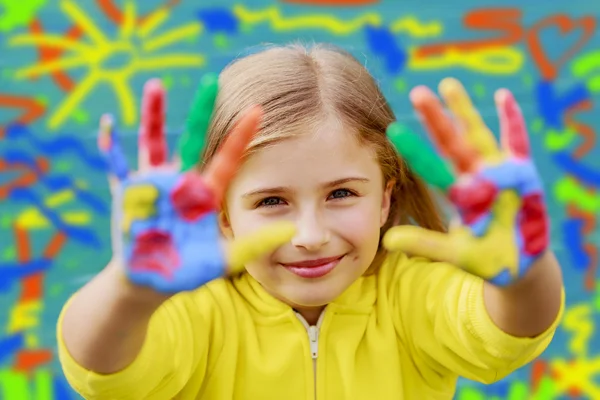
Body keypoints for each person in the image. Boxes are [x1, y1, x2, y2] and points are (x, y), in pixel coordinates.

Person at [57, 43, 564, 399]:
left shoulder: (410, 295)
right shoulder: (197, 311)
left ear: (385, 199)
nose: (311, 236)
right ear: (222, 215)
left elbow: (504, 333)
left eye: (341, 193)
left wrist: (527, 273)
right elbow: (101, 372)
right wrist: (129, 291)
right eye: (271, 202)